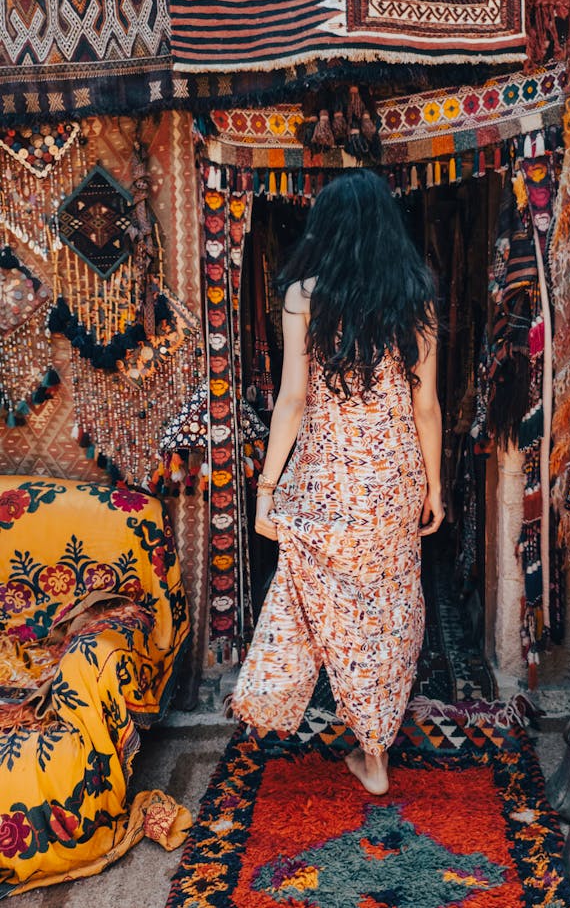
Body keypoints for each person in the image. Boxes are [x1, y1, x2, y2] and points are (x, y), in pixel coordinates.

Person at [230, 169, 443, 795]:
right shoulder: (417, 295)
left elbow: (292, 398)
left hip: (329, 479)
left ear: (327, 228)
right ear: (385, 227)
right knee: (391, 605)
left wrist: (267, 488)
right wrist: (433, 487)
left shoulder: (304, 295)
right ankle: (375, 748)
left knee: (331, 604)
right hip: (395, 478)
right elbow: (425, 403)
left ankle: (307, 713)